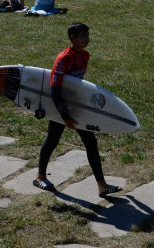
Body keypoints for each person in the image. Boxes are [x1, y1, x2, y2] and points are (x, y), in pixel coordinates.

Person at [33, 22, 123, 197]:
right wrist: (65, 116)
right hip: (61, 107)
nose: (87, 39)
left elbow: (79, 85)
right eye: (83, 36)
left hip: (78, 107)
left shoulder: (85, 55)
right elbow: (55, 91)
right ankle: (40, 176)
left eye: (88, 35)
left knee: (91, 143)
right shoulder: (63, 59)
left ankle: (102, 186)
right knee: (52, 141)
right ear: (73, 38)